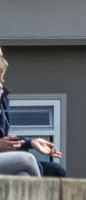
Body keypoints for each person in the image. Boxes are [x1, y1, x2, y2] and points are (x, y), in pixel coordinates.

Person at [0, 46, 63, 178]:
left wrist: (30, 142)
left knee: (25, 175)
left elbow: (6, 141)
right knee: (27, 159)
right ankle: (42, 196)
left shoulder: (3, 99)